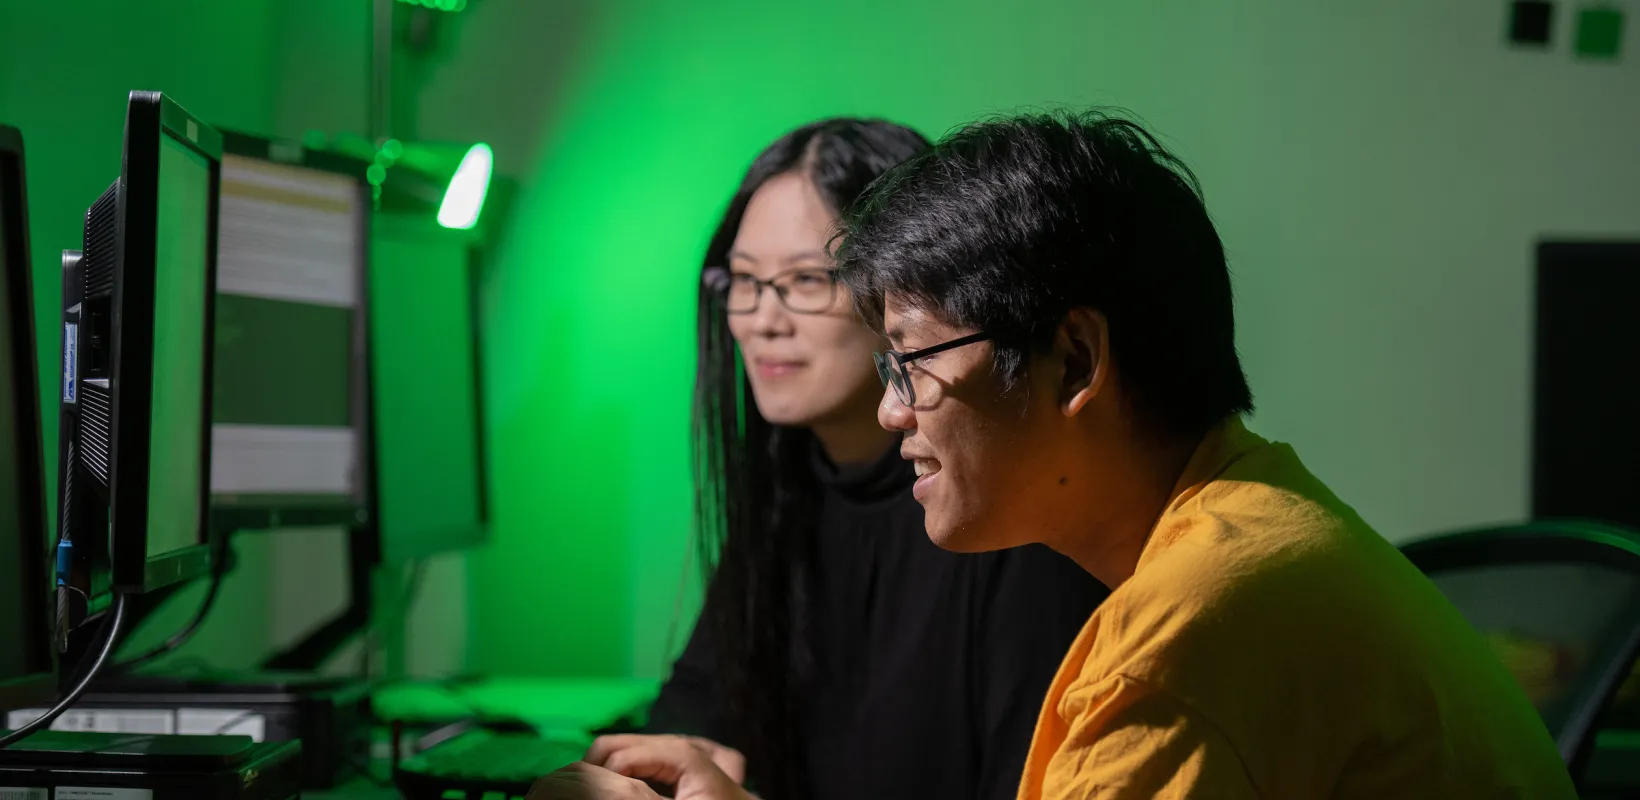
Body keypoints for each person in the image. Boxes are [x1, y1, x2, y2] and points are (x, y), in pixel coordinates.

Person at [824, 111, 1578, 798]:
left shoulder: (1180, 643)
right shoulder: (1266, 522)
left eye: (913, 362)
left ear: (1078, 361)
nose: (892, 411)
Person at [532, 119, 1107, 800]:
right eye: (744, 281)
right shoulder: (786, 496)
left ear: (908, 292)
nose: (764, 318)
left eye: (807, 279)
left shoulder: (1004, 511)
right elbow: (693, 723)